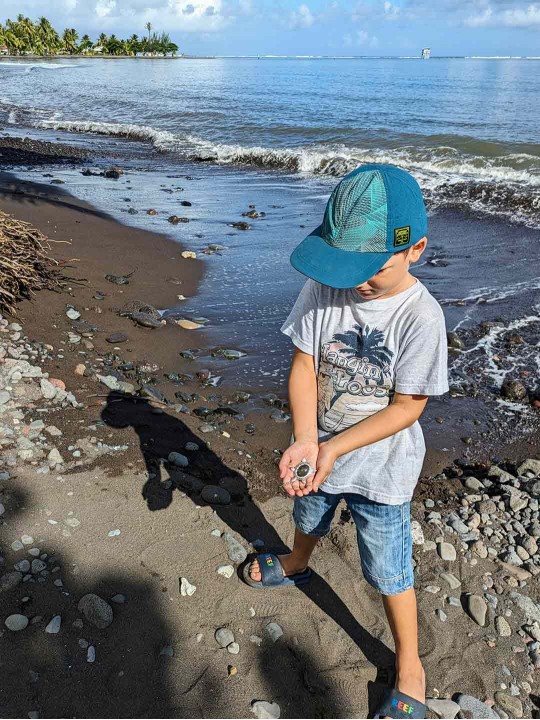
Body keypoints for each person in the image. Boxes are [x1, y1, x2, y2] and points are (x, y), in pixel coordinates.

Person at [243, 163, 449, 719]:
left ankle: (409, 662)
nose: (355, 280)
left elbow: (409, 406)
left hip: (382, 471)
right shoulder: (325, 286)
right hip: (320, 448)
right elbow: (305, 364)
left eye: (371, 267)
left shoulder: (420, 317)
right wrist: (309, 438)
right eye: (344, 265)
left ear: (415, 249)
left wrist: (335, 448)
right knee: (307, 515)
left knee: (388, 568)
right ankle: (295, 562)